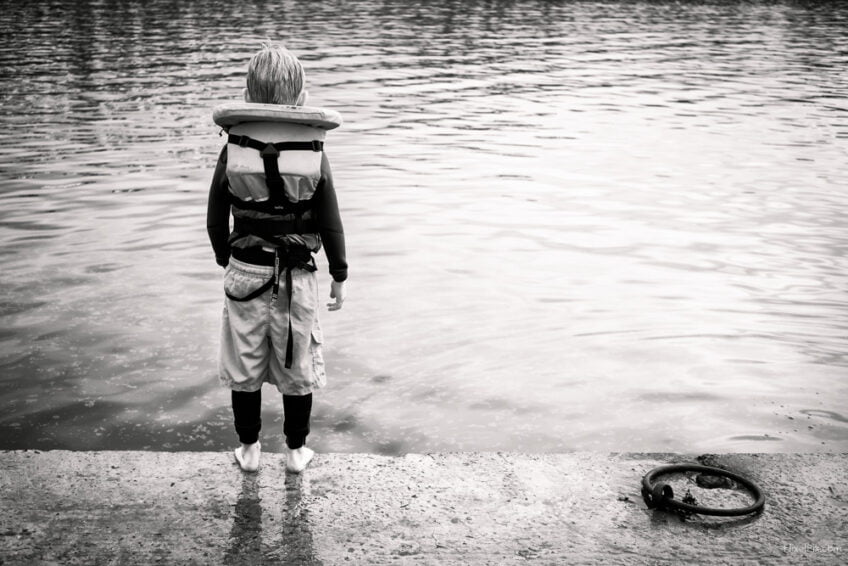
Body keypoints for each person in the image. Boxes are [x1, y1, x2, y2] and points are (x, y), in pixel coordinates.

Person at [207, 42, 347, 473]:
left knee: (244, 360)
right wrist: (339, 274)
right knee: (297, 360)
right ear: (301, 100)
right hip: (297, 275)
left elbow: (215, 217)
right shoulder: (313, 153)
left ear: (247, 98)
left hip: (245, 271)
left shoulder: (234, 148)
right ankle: (296, 452)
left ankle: (249, 449)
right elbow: (331, 222)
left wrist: (225, 259)